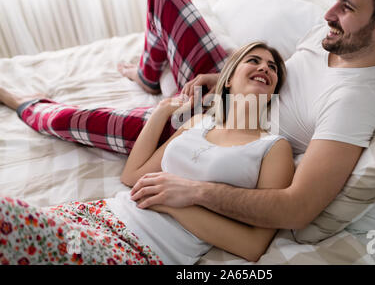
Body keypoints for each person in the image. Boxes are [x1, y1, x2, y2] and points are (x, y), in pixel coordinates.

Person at [0, 0, 375, 236]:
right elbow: (280, 72)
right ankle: (150, 75)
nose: (327, 14)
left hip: (224, 128)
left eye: (345, 8)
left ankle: (21, 102)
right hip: (234, 84)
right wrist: (219, 76)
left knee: (80, 119)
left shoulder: (355, 101)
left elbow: (297, 209)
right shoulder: (329, 39)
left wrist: (193, 191)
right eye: (334, 0)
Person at [0, 42, 294, 265]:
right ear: (228, 79)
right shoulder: (197, 122)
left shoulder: (272, 148)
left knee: (8, 221)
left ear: (274, 90)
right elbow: (134, 176)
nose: (265, 68)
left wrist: (173, 201)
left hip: (141, 249)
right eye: (254, 60)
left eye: (273, 68)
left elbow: (254, 245)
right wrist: (162, 112)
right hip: (102, 213)